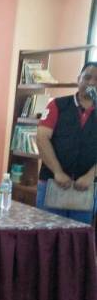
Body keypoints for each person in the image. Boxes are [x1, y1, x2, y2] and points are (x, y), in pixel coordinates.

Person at [36, 61, 97, 224]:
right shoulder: (57, 105)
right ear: (78, 79)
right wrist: (57, 171)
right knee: (46, 233)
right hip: (52, 183)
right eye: (87, 77)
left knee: (78, 235)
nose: (92, 83)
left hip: (87, 187)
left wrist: (91, 175)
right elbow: (42, 138)